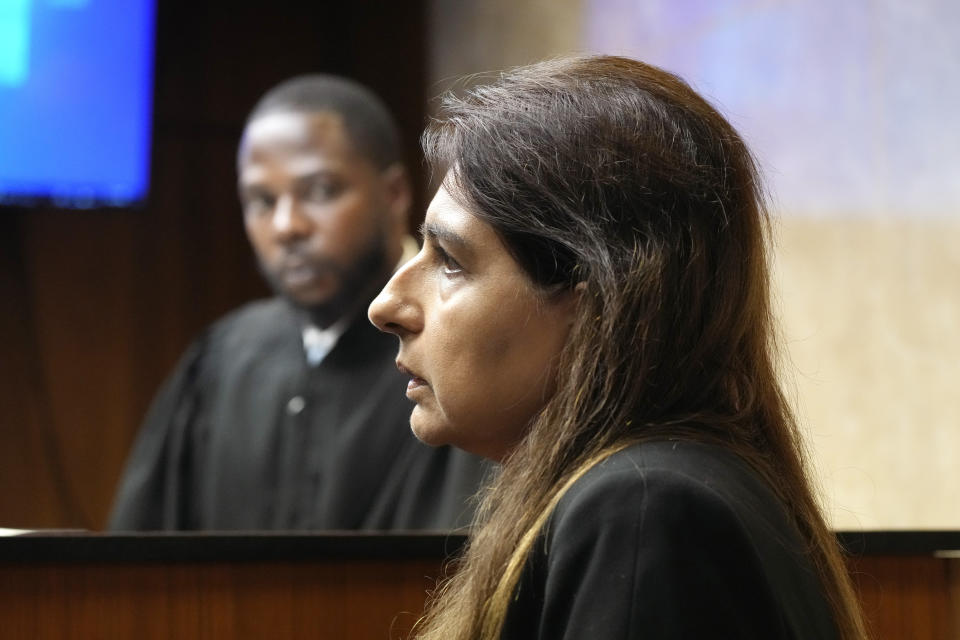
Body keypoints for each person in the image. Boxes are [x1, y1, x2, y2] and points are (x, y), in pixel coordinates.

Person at [368, 56, 867, 639]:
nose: (387, 307)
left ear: (596, 298)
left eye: (451, 262)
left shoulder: (645, 509)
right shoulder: (658, 492)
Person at [109, 75, 488, 531]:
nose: (287, 225)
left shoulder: (462, 352)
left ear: (394, 195)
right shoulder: (223, 359)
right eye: (262, 200)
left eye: (320, 191)